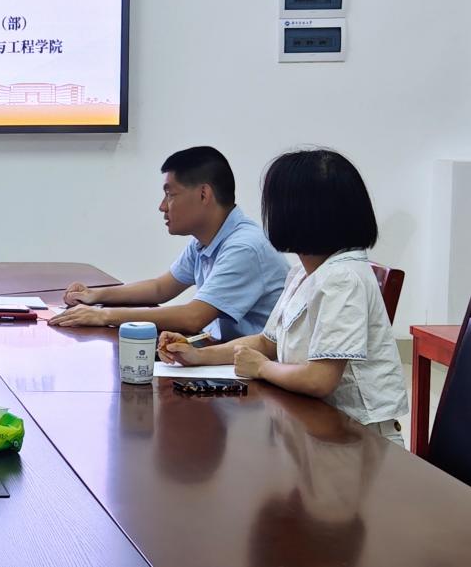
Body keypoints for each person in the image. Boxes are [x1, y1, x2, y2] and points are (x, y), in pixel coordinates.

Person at [159, 148, 408, 445]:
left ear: (299, 212)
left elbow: (320, 379)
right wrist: (199, 356)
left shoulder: (342, 278)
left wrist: (262, 368)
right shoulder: (303, 273)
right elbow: (267, 342)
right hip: (313, 425)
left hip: (358, 439)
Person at [50, 146, 288, 340]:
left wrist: (103, 316)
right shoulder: (205, 240)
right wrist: (95, 295)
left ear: (204, 194)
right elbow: (160, 288)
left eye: (170, 194)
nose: (162, 206)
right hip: (224, 355)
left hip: (256, 372)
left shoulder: (244, 247)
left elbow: (193, 317)